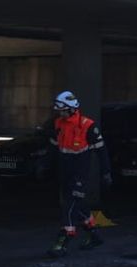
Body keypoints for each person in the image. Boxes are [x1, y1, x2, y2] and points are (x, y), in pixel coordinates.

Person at [39, 90, 110, 257]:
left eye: (62, 110)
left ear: (71, 109)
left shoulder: (88, 126)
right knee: (79, 205)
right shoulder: (58, 124)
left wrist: (106, 172)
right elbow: (53, 147)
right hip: (64, 171)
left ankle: (64, 239)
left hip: (80, 172)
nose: (59, 113)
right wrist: (44, 164)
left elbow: (102, 151)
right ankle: (94, 235)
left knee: (70, 205)